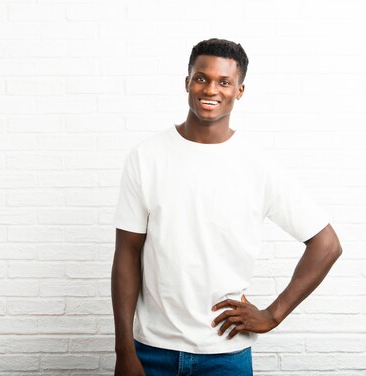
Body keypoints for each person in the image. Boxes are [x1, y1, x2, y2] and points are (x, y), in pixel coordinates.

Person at [111, 38, 342, 375]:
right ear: (187, 83)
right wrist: (123, 351)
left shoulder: (257, 165)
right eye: (202, 78)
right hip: (151, 351)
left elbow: (327, 244)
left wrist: (273, 314)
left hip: (225, 355)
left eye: (224, 82)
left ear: (240, 90)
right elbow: (127, 254)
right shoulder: (146, 157)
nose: (211, 89)